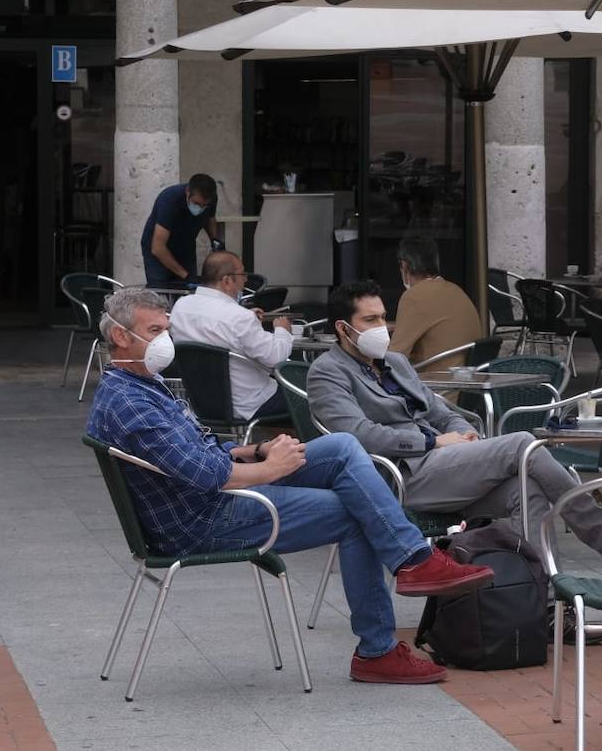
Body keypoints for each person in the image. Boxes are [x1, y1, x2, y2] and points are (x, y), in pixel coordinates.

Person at [85, 288, 493, 685]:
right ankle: (379, 647)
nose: (166, 340)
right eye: (155, 331)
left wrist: (257, 449)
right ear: (122, 336)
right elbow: (207, 475)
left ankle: (413, 563)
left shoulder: (140, 384)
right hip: (203, 519)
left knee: (342, 447)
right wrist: (270, 469)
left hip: (209, 499)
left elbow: (199, 449)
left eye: (166, 329)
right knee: (357, 512)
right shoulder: (131, 404)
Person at [306, 281, 602, 558]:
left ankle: (535, 600)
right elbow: (358, 435)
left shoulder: (395, 363)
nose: (382, 327)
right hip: (398, 477)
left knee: (526, 488)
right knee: (523, 444)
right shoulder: (327, 371)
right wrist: (433, 441)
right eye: (370, 320)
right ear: (343, 329)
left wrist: (465, 435)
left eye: (384, 317)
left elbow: (440, 413)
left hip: (444, 468)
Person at [168, 251, 294, 422]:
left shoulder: (181, 307)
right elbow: (275, 358)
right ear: (227, 280)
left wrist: (246, 316)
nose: (246, 280)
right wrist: (283, 331)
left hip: (201, 404)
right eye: (242, 274)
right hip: (252, 404)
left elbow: (212, 325)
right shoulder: (239, 317)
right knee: (313, 395)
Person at [389, 236, 480, 375]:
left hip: (435, 387)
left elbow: (395, 356)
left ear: (404, 266)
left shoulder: (414, 296)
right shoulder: (456, 290)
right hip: (466, 385)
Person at [141, 173, 219, 288]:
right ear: (188, 192)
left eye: (204, 206)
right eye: (197, 204)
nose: (200, 208)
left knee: (189, 289)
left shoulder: (211, 199)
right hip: (158, 249)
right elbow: (158, 248)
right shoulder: (169, 199)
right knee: (161, 290)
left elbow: (210, 219)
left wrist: (214, 240)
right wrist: (185, 275)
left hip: (186, 246)